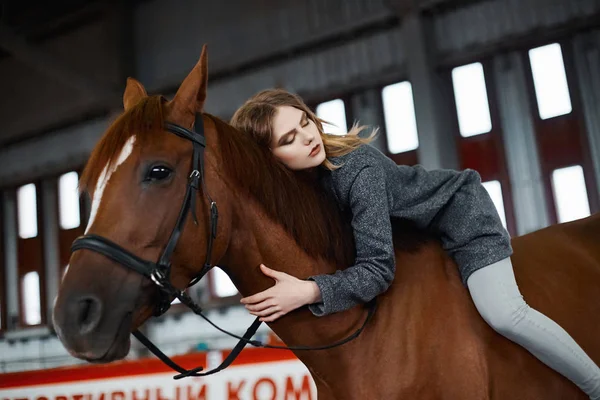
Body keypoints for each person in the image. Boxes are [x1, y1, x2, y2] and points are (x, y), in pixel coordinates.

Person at [230, 88, 600, 398]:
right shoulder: (305, 190)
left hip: (460, 217)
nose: (308, 137)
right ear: (269, 159)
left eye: (304, 122)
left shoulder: (357, 169)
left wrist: (310, 292)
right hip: (418, 239)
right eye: (288, 139)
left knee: (505, 313)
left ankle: (596, 385)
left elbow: (377, 270)